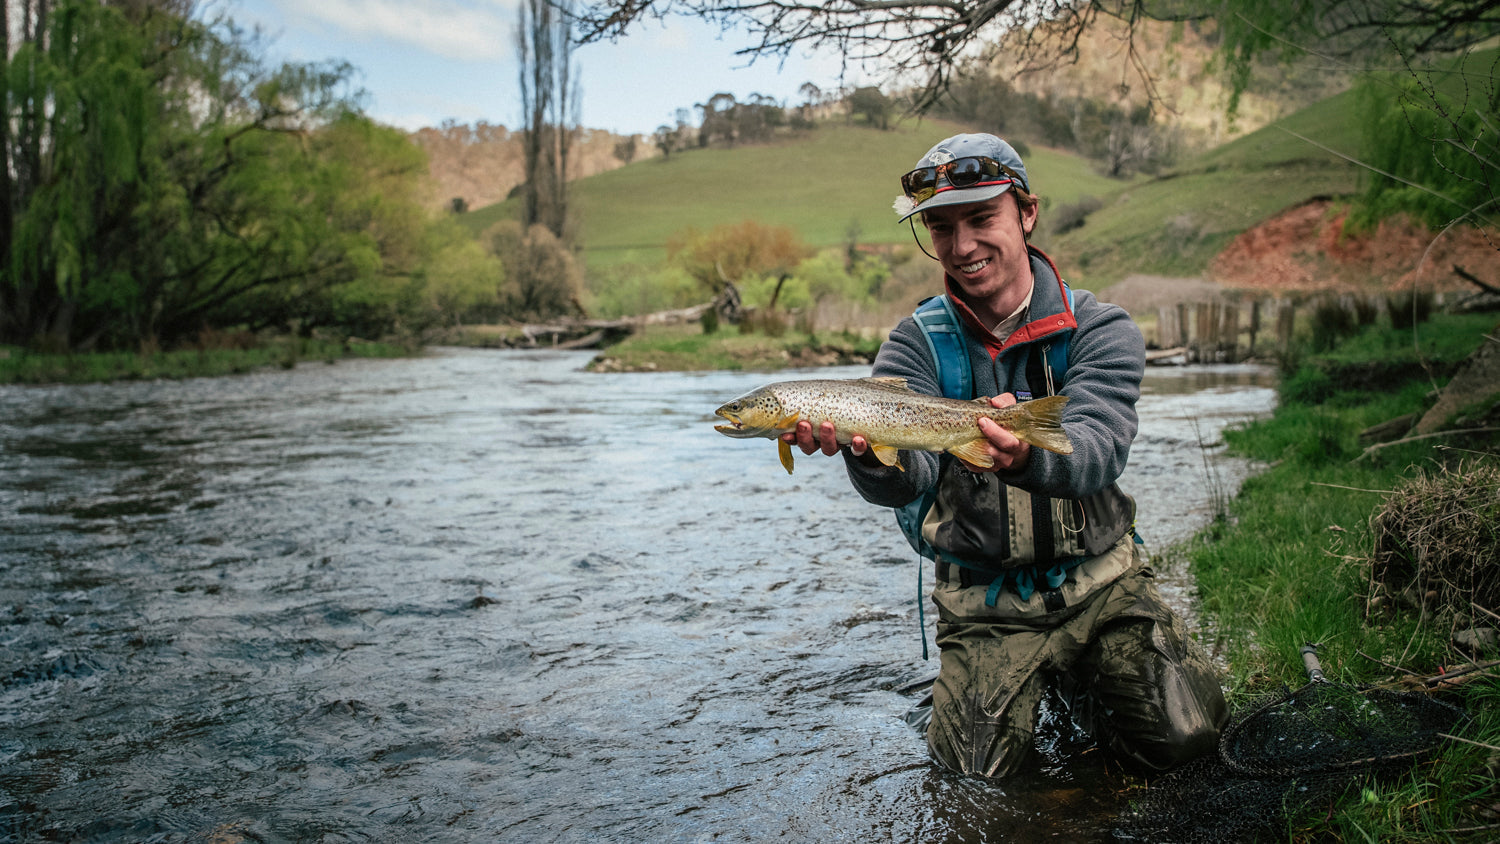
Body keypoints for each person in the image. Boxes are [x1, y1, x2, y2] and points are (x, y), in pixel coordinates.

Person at [783, 133, 1228, 779]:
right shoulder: (914, 346)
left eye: (981, 218)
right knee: (977, 781)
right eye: (940, 227)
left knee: (1185, 742)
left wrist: (1024, 456)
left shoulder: (1101, 329)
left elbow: (1099, 451)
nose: (962, 247)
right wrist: (871, 458)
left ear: (1026, 212)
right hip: (984, 606)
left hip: (1102, 588)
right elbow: (910, 482)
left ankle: (1089, 684)